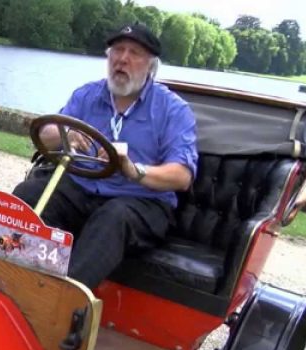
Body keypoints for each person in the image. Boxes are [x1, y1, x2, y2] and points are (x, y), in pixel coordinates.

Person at [12, 23, 198, 290]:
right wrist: (66, 133)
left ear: (151, 65)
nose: (122, 59)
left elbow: (182, 176)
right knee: (29, 193)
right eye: (117, 50)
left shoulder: (173, 110)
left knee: (113, 218)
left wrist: (134, 170)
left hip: (142, 200)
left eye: (134, 53)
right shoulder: (87, 95)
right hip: (84, 187)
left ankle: (64, 302)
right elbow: (47, 134)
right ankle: (18, 280)